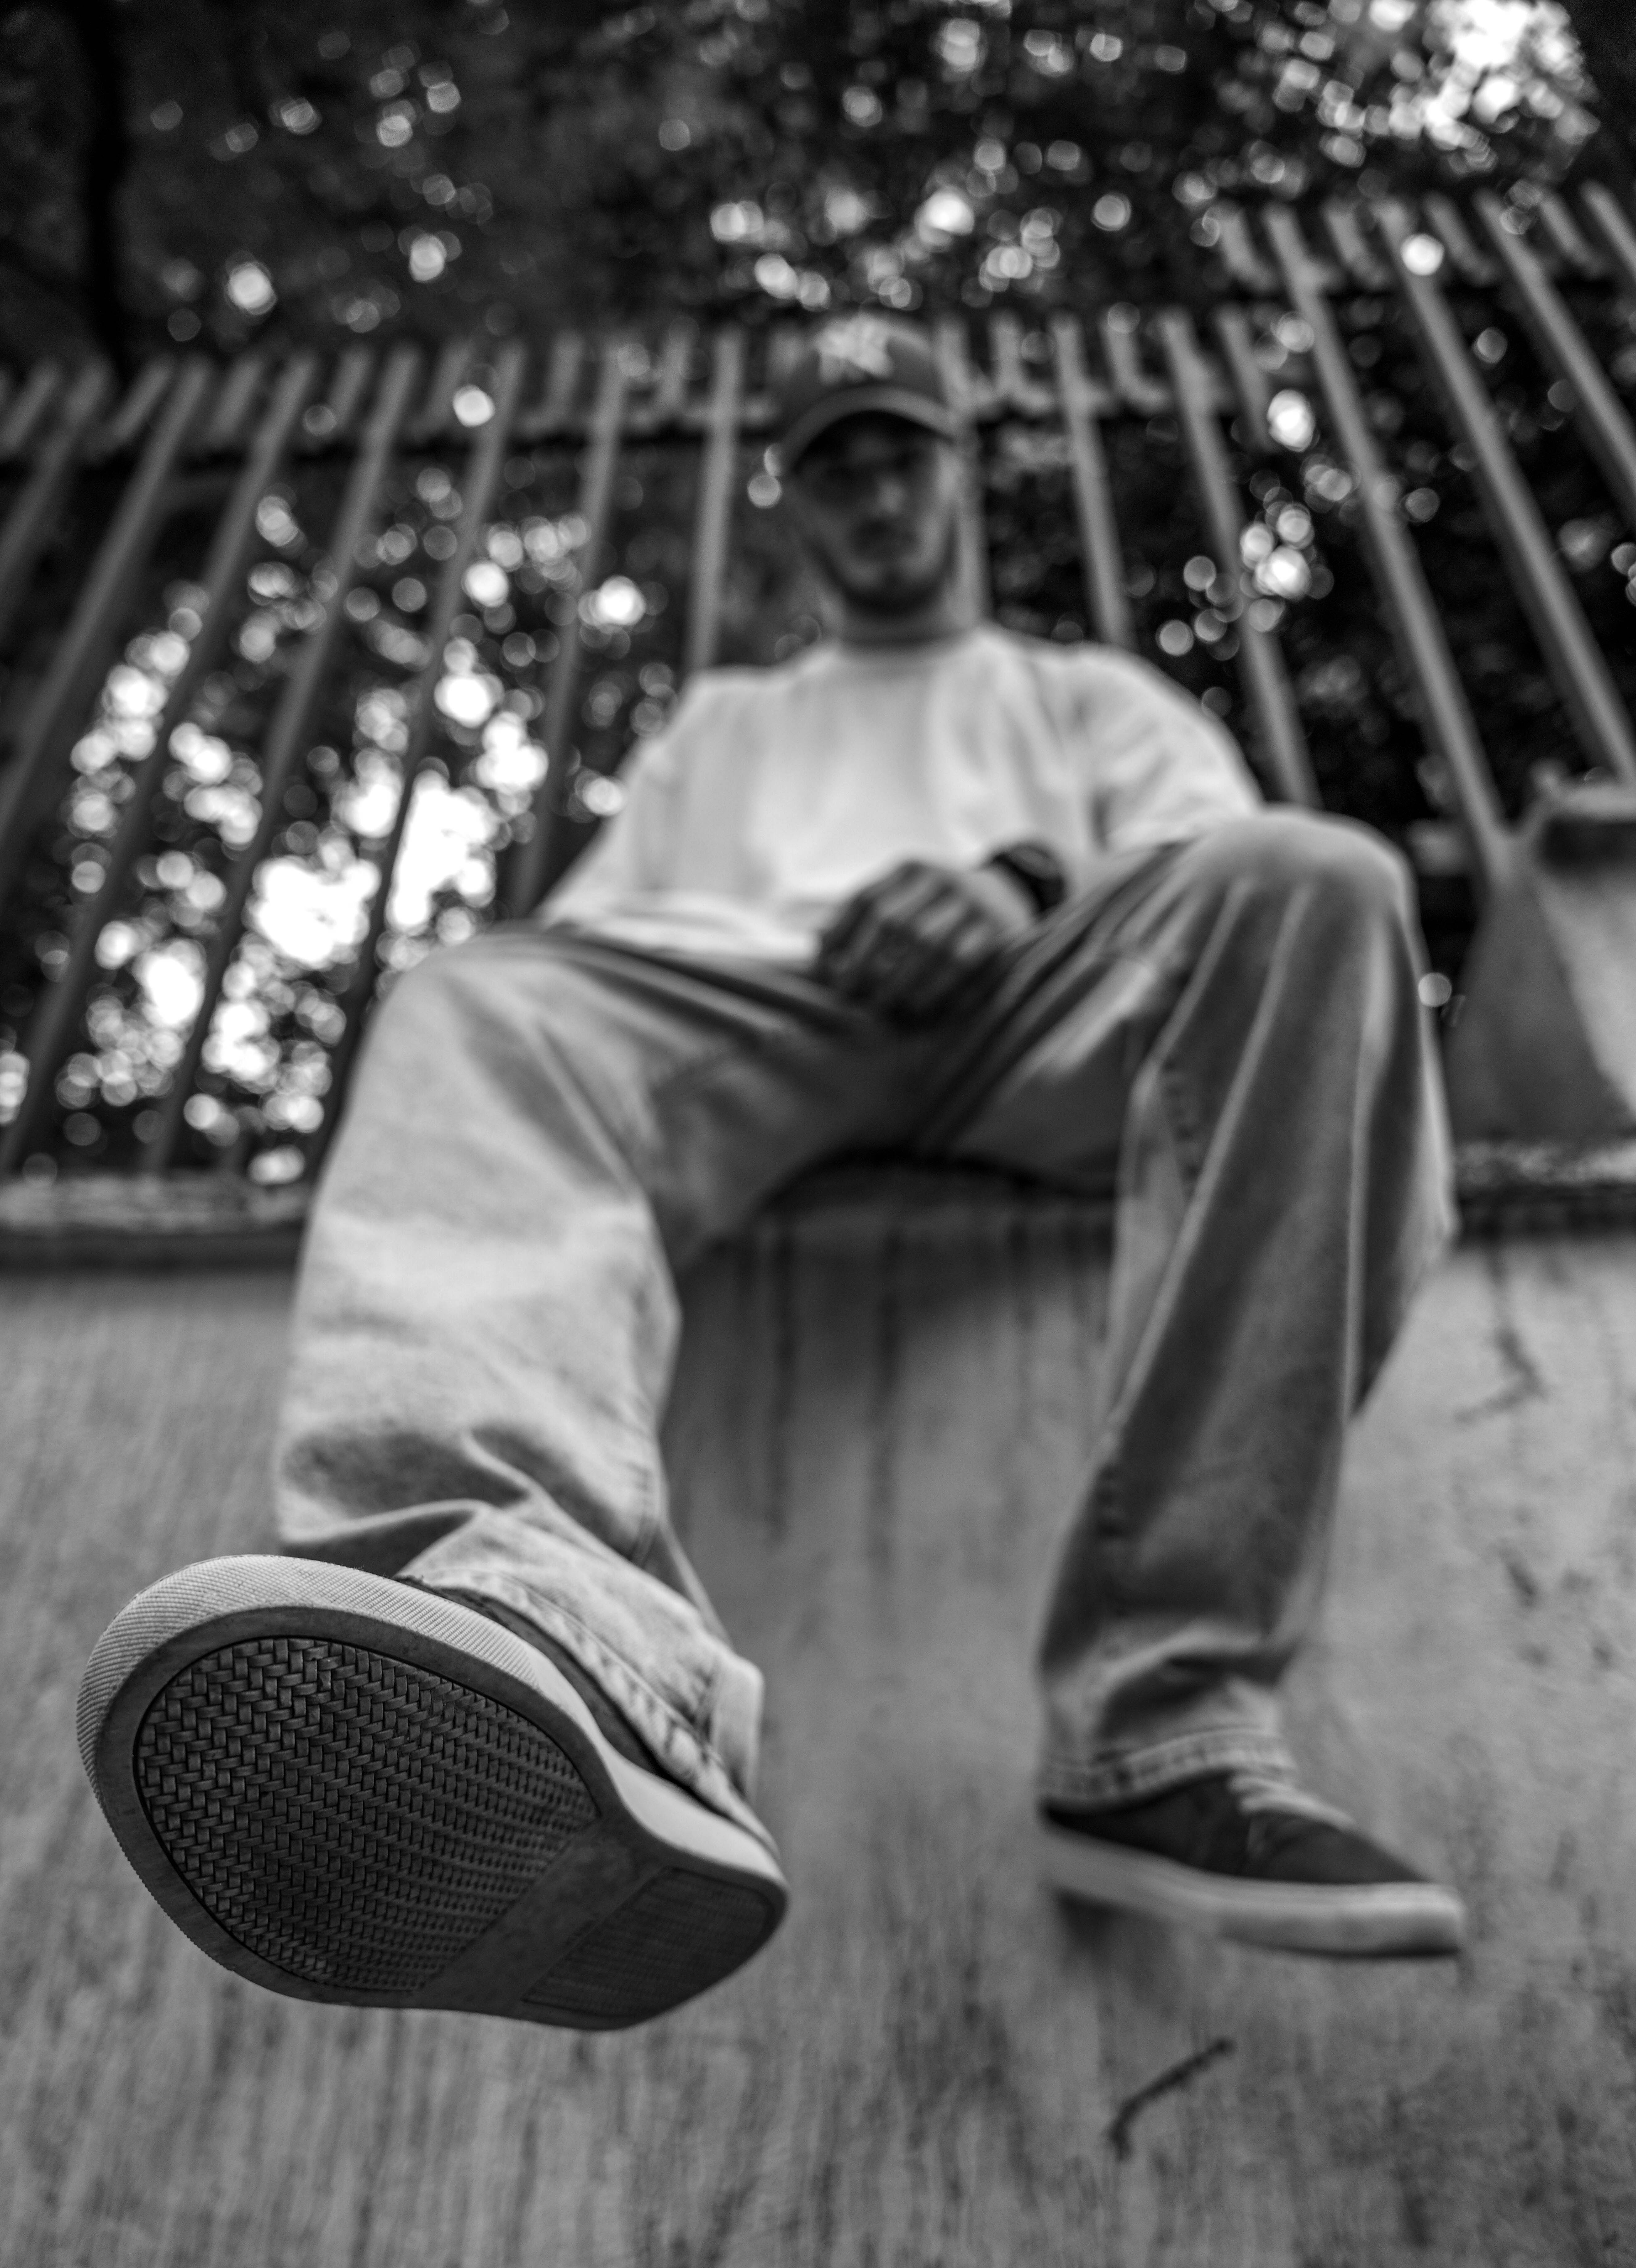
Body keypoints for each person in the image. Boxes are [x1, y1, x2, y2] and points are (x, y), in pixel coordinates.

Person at [78, 316, 1464, 2034]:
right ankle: (547, 1629)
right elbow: (595, 961)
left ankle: (1164, 1723)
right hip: (772, 1019)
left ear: (961, 475)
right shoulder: (728, 728)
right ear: (795, 513)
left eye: (904, 453)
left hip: (1055, 1005)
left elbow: (1202, 854)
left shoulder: (1080, 695)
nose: (877, 491)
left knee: (1318, 882)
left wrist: (1021, 878)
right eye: (837, 466)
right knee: (478, 998)